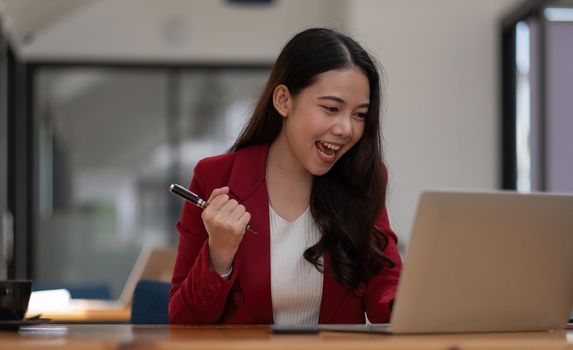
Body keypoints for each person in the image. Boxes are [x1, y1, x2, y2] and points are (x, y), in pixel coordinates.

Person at [169, 28, 402, 325]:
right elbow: (181, 321)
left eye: (359, 115)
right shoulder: (215, 176)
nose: (346, 129)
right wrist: (219, 254)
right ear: (283, 101)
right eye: (331, 108)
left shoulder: (363, 177)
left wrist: (413, 301)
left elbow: (385, 281)